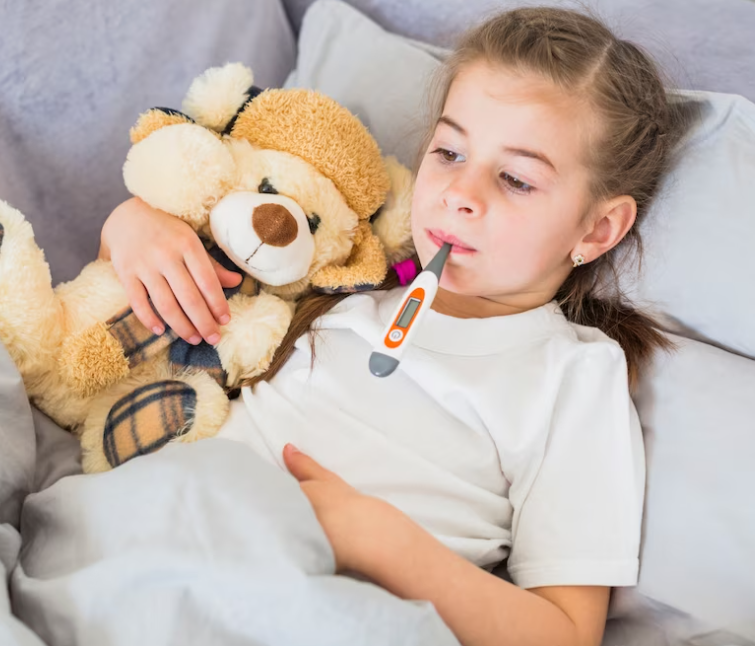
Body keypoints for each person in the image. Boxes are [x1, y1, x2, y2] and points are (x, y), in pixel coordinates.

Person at [98, 7, 684, 646]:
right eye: (450, 151)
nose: (461, 191)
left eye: (516, 179)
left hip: (319, 606)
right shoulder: (347, 268)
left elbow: (565, 634)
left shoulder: (572, 376)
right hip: (159, 534)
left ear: (597, 230)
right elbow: (157, 309)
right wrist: (132, 228)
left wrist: (385, 543)